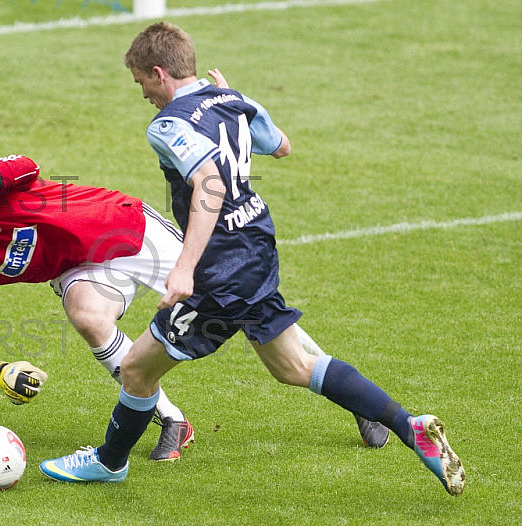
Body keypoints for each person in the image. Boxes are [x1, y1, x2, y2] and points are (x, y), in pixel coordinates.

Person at [39, 22, 465, 496]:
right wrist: (232, 103)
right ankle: (410, 427)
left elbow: (212, 185)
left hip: (220, 270)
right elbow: (281, 146)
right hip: (257, 246)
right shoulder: (233, 100)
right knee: (292, 367)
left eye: (141, 82)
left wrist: (185, 268)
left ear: (159, 73)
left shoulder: (167, 125)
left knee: (137, 369)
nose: (143, 95)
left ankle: (109, 462)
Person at [0, 154, 195, 460]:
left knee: (228, 297)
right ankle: (172, 419)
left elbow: (25, 166)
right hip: (82, 267)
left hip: (126, 226)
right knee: (89, 319)